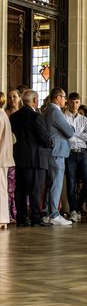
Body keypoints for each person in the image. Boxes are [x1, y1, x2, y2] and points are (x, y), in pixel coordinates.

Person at [10, 90, 51, 226]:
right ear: (35, 100)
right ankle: (36, 218)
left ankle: (21, 218)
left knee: (20, 190)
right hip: (36, 160)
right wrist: (51, 142)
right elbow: (45, 138)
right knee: (36, 190)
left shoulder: (14, 117)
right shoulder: (35, 117)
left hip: (19, 159)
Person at [64, 92, 87, 222]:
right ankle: (73, 211)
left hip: (83, 152)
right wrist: (76, 135)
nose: (75, 105)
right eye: (72, 102)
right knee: (71, 183)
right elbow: (65, 136)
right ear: (68, 102)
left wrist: (75, 134)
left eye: (77, 102)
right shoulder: (63, 118)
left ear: (80, 103)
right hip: (70, 153)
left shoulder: (84, 119)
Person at [44, 87, 75, 226]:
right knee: (55, 184)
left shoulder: (49, 110)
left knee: (52, 183)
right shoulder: (55, 112)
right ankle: (54, 214)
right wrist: (72, 128)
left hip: (54, 151)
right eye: (64, 97)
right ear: (58, 98)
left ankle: (47, 213)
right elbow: (69, 132)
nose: (65, 100)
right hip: (57, 152)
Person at [3, 88, 20, 222]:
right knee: (9, 186)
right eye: (9, 97)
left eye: (14, 96)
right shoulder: (4, 114)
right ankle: (9, 213)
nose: (11, 99)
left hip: (21, 153)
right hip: (8, 152)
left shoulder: (24, 113)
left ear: (19, 98)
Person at [0, 92, 14, 229]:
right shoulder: (3, 114)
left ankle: (2, 218)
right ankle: (3, 218)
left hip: (0, 158)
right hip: (4, 157)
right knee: (2, 189)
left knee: (1, 189)